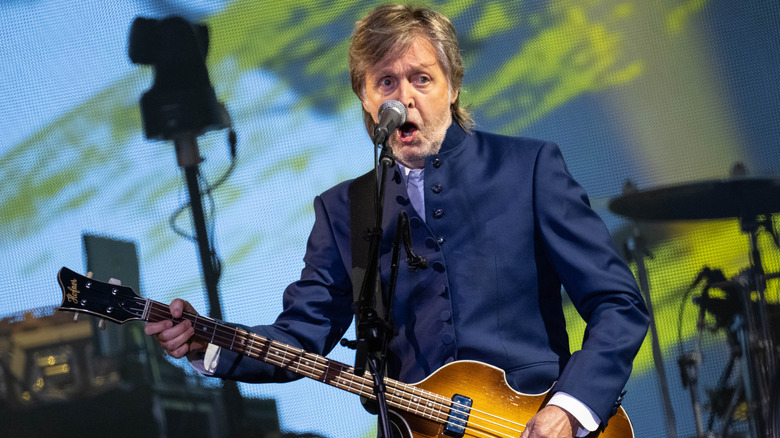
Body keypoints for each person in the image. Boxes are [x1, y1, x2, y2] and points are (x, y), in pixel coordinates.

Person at [145, 4, 649, 437]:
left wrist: (568, 408)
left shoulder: (528, 168)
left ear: (452, 87)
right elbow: (301, 336)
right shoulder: (343, 210)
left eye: (421, 79)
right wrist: (207, 342)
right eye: (385, 81)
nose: (402, 97)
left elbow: (618, 303)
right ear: (365, 100)